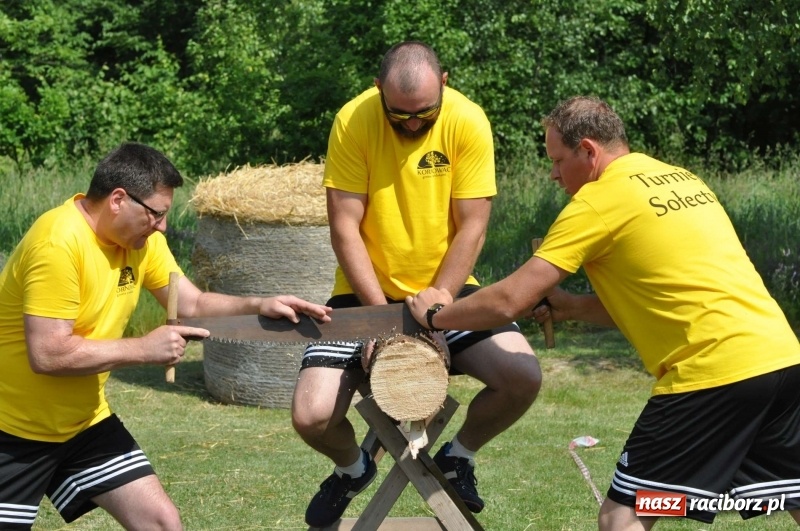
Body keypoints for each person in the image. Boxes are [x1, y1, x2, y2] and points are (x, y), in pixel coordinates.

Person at [405, 95, 800, 529]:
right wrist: (572, 307)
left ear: (589, 151)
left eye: (558, 160)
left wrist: (437, 314)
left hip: (712, 373)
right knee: (790, 494)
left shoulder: (597, 201)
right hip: (781, 360)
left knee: (622, 517)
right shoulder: (681, 179)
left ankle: (690, 501)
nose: (554, 173)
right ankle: (693, 501)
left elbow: (509, 300)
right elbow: (663, 302)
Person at [0, 142, 332, 530]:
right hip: (11, 431)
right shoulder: (58, 244)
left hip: (83, 424)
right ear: (118, 199)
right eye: (156, 214)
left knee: (161, 523)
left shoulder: (141, 243)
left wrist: (259, 304)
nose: (161, 226)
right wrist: (144, 349)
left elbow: (190, 302)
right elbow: (49, 354)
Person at [291, 41, 542, 527]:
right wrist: (381, 321)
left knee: (523, 379)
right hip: (362, 293)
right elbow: (344, 226)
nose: (411, 124)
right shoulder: (352, 120)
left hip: (450, 291)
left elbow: (472, 226)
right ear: (378, 88)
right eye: (398, 114)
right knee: (312, 415)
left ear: (444, 84)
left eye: (424, 114)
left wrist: (437, 308)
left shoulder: (468, 121)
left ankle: (458, 457)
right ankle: (352, 469)